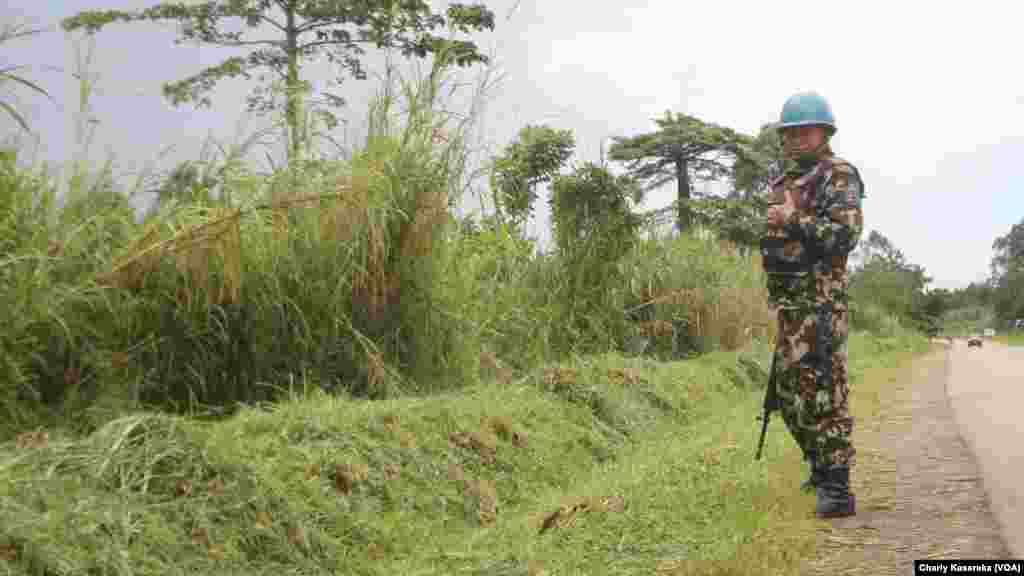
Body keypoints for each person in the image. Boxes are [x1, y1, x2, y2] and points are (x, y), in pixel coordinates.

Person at [760, 91, 864, 518]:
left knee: (824, 394)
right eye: (790, 133)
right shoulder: (784, 182)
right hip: (790, 307)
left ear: (824, 133)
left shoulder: (837, 175)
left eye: (806, 131)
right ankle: (820, 465)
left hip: (821, 306)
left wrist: (791, 220)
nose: (797, 139)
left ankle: (837, 489)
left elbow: (844, 236)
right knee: (787, 395)